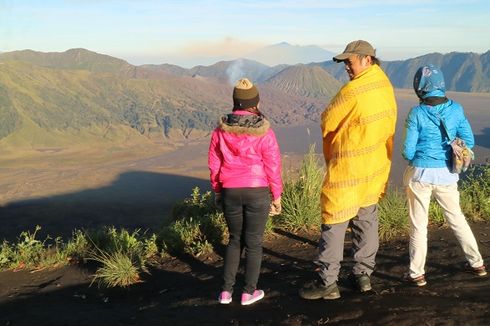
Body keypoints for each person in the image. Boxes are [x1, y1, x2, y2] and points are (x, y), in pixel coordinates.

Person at [299, 40, 397, 300]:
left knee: (335, 221)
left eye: (349, 62)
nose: (346, 67)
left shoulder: (354, 91)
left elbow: (328, 119)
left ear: (366, 59)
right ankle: (363, 275)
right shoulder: (384, 85)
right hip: (374, 166)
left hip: (349, 168)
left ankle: (327, 283)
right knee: (366, 220)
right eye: (344, 63)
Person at [402, 64, 486, 286]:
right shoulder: (456, 109)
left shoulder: (416, 113)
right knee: (457, 219)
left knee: (419, 225)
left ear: (420, 86)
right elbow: (469, 140)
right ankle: (477, 263)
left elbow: (407, 151)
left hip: (420, 174)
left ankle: (416, 274)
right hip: (448, 174)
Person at [208, 78, 283, 305]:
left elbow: (214, 163)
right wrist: (276, 195)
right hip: (257, 191)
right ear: (255, 102)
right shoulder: (264, 132)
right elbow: (273, 165)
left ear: (235, 102)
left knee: (234, 240)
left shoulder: (220, 131)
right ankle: (248, 292)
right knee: (253, 243)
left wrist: (217, 190)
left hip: (230, 190)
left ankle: (225, 292)